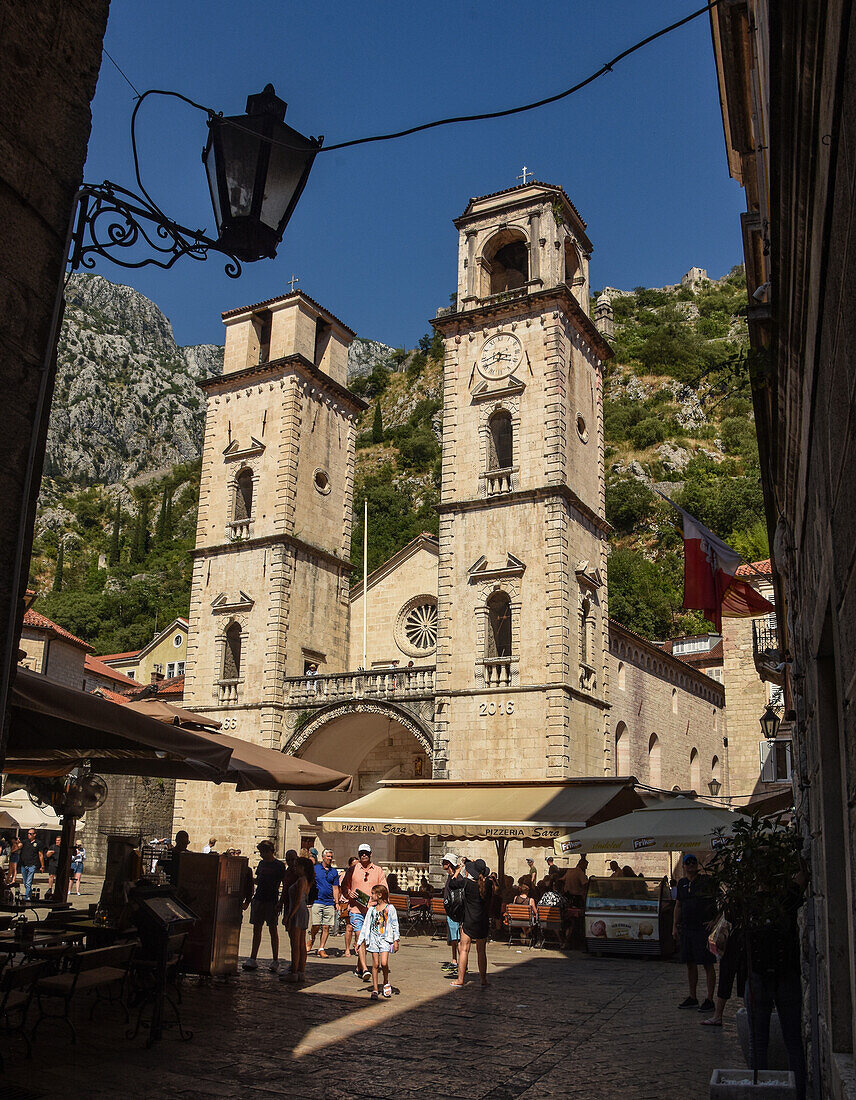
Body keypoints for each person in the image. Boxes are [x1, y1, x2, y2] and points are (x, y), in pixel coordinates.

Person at [673, 853, 717, 1012]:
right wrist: (674, 926)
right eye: (688, 862)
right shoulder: (682, 883)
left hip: (702, 929)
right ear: (684, 866)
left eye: (693, 862)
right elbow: (678, 905)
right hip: (687, 929)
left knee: (707, 963)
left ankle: (710, 999)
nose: (691, 864)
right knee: (690, 964)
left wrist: (714, 921)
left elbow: (719, 900)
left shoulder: (706, 882)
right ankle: (692, 997)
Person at [341, 843, 387, 981]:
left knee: (368, 939)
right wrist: (349, 893)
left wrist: (379, 902)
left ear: (371, 854)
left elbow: (384, 889)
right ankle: (366, 969)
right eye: (361, 853)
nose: (364, 855)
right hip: (356, 909)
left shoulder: (378, 870)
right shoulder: (352, 869)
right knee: (359, 936)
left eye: (366, 853)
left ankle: (359, 967)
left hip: (372, 910)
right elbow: (344, 886)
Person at [242, 840, 286, 972]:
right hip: (259, 899)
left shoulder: (279, 866)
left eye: (262, 852)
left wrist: (280, 902)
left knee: (273, 930)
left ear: (268, 851)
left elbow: (283, 884)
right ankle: (253, 957)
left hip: (271, 900)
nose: (261, 855)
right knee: (257, 929)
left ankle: (275, 959)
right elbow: (258, 881)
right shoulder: (261, 864)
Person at [454, 858, 493, 988]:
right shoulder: (487, 885)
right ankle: (483, 979)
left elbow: (452, 884)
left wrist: (459, 870)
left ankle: (460, 979)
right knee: (481, 951)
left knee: (464, 949)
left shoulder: (467, 884)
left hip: (469, 920)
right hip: (482, 921)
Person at [357, 883, 400, 999]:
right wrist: (359, 941)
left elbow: (395, 924)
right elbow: (366, 926)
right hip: (374, 939)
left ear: (380, 895)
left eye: (373, 893)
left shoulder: (390, 908)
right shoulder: (371, 910)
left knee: (384, 963)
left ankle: (386, 982)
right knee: (375, 964)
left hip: (385, 939)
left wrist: (396, 940)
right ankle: (375, 988)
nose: (371, 896)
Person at [282, 856, 314, 983]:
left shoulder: (301, 880)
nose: (295, 868)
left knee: (295, 944)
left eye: (297, 866)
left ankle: (294, 972)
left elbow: (297, 900)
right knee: (301, 943)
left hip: (297, 911)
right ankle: (301, 971)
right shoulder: (307, 880)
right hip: (303, 911)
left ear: (302, 868)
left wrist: (289, 916)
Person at [308, 848, 340, 957]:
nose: (330, 859)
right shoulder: (315, 869)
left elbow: (335, 888)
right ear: (323, 857)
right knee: (316, 924)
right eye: (328, 857)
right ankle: (312, 938)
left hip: (329, 902)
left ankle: (321, 948)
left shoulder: (334, 872)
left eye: (331, 857)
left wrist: (337, 902)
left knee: (326, 926)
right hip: (317, 900)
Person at [441, 852, 462, 975]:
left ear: (448, 864)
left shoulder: (455, 878)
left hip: (454, 912)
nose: (442, 864)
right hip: (451, 912)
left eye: (444, 862)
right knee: (453, 939)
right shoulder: (451, 876)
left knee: (457, 939)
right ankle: (455, 961)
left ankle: (461, 963)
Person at [339, 856, 358, 957]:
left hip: (358, 904)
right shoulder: (344, 876)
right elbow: (341, 889)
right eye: (354, 865)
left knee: (358, 928)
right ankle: (347, 948)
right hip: (347, 902)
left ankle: (356, 945)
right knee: (349, 927)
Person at [18, 828, 44, 899]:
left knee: (28, 882)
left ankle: (26, 897)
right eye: (28, 833)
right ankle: (29, 895)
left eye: (30, 834)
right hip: (24, 864)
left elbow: (40, 855)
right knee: (25, 882)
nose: (28, 835)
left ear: (34, 835)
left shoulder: (38, 843)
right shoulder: (25, 842)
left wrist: (42, 866)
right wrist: (18, 844)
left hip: (32, 865)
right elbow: (19, 846)